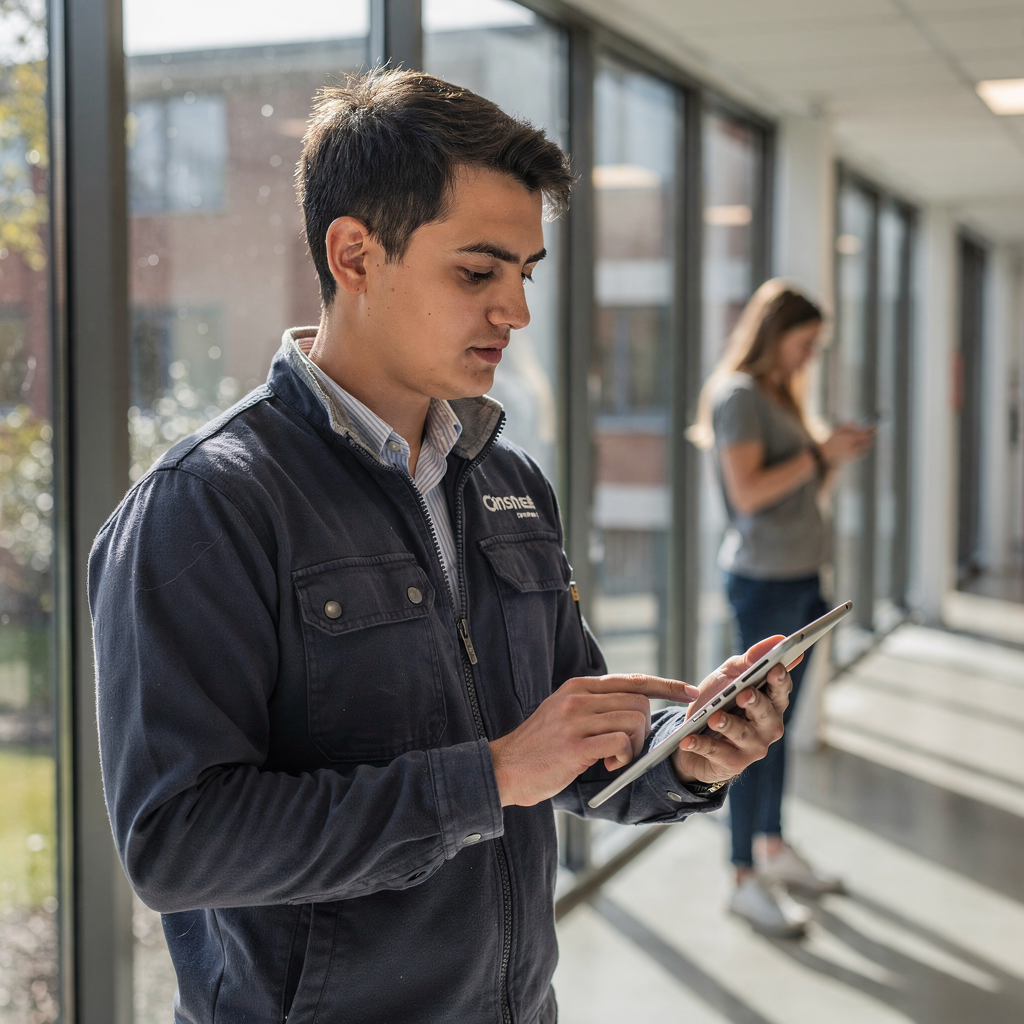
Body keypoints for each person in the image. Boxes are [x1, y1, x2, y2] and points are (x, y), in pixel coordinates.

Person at [90, 71, 796, 1024]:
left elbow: (565, 750)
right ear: (354, 254)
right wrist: (491, 776)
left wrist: (683, 760)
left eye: (525, 273)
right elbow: (177, 845)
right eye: (478, 272)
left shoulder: (508, 481)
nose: (517, 311)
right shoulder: (207, 505)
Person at [689, 280, 874, 938]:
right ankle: (743, 873)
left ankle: (770, 846)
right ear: (776, 334)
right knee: (748, 737)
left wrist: (830, 457)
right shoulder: (738, 396)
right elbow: (748, 493)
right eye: (805, 343)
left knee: (778, 731)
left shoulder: (778, 398)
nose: (809, 358)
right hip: (764, 584)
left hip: (800, 579)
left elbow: (799, 488)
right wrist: (818, 453)